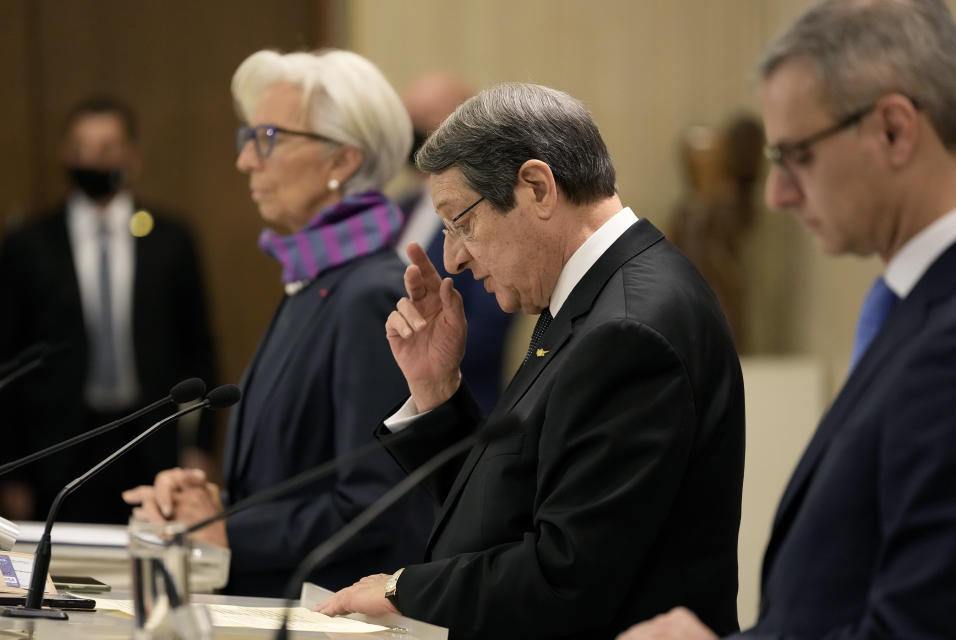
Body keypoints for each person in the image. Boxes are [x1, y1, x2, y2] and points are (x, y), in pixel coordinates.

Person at [317, 82, 746, 639]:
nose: (453, 258)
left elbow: (564, 576)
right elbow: (516, 506)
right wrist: (437, 391)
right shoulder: (595, 296)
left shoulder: (627, 330)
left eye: (461, 223)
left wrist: (402, 589)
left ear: (537, 188)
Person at [618, 1, 956, 638]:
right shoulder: (914, 309)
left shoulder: (950, 339)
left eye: (796, 156)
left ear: (893, 130)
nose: (777, 196)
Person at [122, 49, 433, 597]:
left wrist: (223, 530)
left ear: (342, 160)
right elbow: (291, 479)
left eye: (266, 137)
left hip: (325, 615)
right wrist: (203, 503)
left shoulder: (369, 294)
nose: (246, 161)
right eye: (248, 138)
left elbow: (372, 505)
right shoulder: (313, 281)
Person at [0, 96, 217, 524]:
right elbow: (9, 357)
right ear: (65, 154)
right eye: (82, 148)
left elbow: (199, 346)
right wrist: (12, 472)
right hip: (57, 449)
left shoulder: (171, 238)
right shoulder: (30, 244)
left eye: (106, 149)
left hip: (150, 441)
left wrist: (202, 445)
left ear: (131, 156)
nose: (93, 160)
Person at [395, 71, 513, 413]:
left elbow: (492, 325)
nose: (413, 131)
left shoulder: (488, 208)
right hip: (398, 407)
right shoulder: (396, 209)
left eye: (424, 120)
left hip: (466, 406)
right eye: (408, 119)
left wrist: (413, 348)